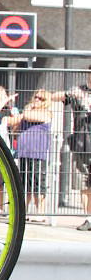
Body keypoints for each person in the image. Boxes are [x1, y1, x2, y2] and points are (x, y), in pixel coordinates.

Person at [52, 66, 91, 231]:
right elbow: (54, 97)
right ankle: (88, 218)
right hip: (82, 143)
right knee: (83, 183)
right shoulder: (80, 90)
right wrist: (70, 94)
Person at [8, 89, 53, 220]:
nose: (37, 100)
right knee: (24, 183)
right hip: (24, 153)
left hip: (38, 154)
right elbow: (13, 124)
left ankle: (40, 212)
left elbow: (27, 116)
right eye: (36, 97)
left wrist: (24, 113)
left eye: (41, 98)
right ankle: (24, 211)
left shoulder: (46, 113)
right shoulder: (27, 113)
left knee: (38, 184)